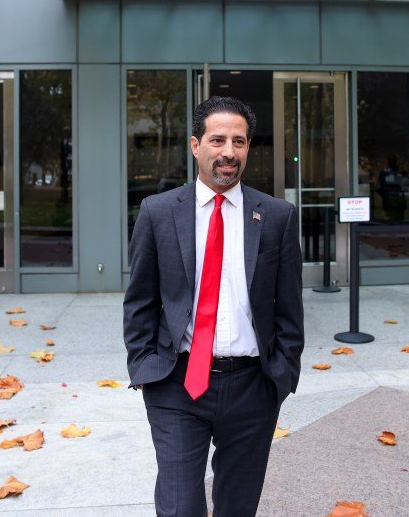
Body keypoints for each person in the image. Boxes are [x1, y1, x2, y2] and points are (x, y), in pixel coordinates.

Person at [124, 96, 304, 517]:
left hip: (253, 387)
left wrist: (281, 375)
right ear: (195, 145)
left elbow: (290, 309)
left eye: (238, 142)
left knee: (237, 508)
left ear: (248, 147)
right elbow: (140, 300)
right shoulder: (158, 212)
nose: (228, 152)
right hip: (177, 382)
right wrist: (145, 366)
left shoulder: (276, 216)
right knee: (179, 507)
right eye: (217, 140)